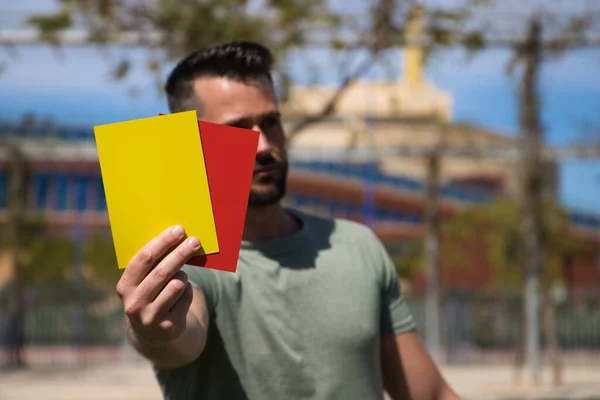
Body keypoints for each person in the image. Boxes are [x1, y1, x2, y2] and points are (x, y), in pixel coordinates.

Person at [115, 41, 459, 400]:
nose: (263, 145)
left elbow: (430, 393)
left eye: (270, 122)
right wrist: (156, 332)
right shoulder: (187, 260)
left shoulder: (358, 245)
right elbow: (180, 336)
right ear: (190, 142)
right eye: (237, 129)